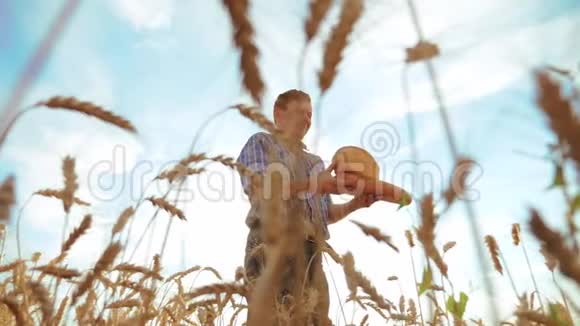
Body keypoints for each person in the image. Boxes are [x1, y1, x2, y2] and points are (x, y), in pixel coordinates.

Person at [236, 89, 379, 325]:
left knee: (314, 321)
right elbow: (261, 189)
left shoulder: (315, 163)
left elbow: (327, 214)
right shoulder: (261, 142)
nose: (307, 119)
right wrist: (315, 183)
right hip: (270, 244)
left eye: (310, 115)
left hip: (312, 253)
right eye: (301, 112)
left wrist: (355, 204)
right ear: (278, 114)